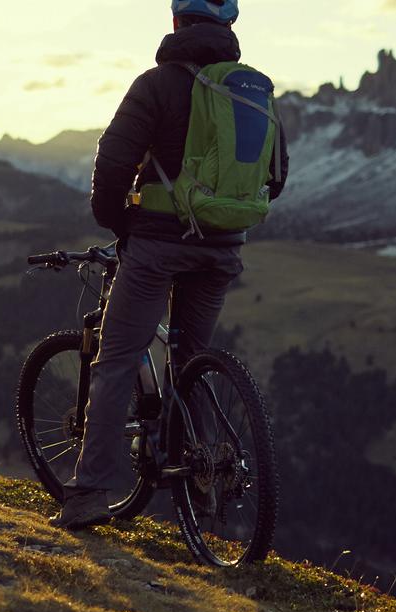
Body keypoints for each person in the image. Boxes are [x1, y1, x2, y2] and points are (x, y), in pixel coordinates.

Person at [52, 0, 289, 529]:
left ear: (177, 22)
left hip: (159, 243)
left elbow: (113, 161)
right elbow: (276, 176)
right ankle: (200, 488)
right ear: (228, 27)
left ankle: (89, 494)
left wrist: (120, 224)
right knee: (192, 361)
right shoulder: (251, 89)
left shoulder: (156, 84)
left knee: (116, 361)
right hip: (223, 248)